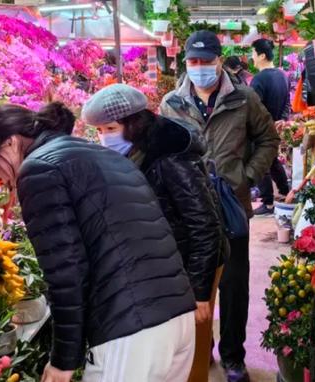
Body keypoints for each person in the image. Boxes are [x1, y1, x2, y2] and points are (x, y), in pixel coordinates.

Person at [0, 102, 196, 382]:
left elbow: (66, 274)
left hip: (131, 333)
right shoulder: (103, 155)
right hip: (178, 318)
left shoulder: (39, 170)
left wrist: (63, 361)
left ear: (10, 143)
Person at [82, 84, 228, 382]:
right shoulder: (136, 153)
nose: (104, 137)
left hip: (195, 264)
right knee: (173, 352)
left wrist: (200, 294)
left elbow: (205, 226)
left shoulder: (170, 156)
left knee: (192, 354)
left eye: (110, 128)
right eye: (98, 130)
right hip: (169, 266)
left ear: (134, 124)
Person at [159, 30, 280, 382]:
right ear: (186, 64)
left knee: (233, 286)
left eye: (206, 61)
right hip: (189, 214)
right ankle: (202, 349)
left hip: (232, 208)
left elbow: (268, 138)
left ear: (218, 60)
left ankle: (233, 357)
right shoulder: (172, 104)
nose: (199, 68)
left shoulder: (244, 99)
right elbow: (164, 154)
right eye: (192, 62)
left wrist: (247, 175)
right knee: (194, 287)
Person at [250, 38, 291, 215]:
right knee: (273, 161)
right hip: (276, 127)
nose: (252, 57)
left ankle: (267, 203)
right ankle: (285, 192)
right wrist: (282, 120)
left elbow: (254, 107)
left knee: (260, 163)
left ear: (262, 55)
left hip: (260, 129)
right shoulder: (282, 75)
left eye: (253, 53)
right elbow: (287, 102)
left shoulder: (259, 79)